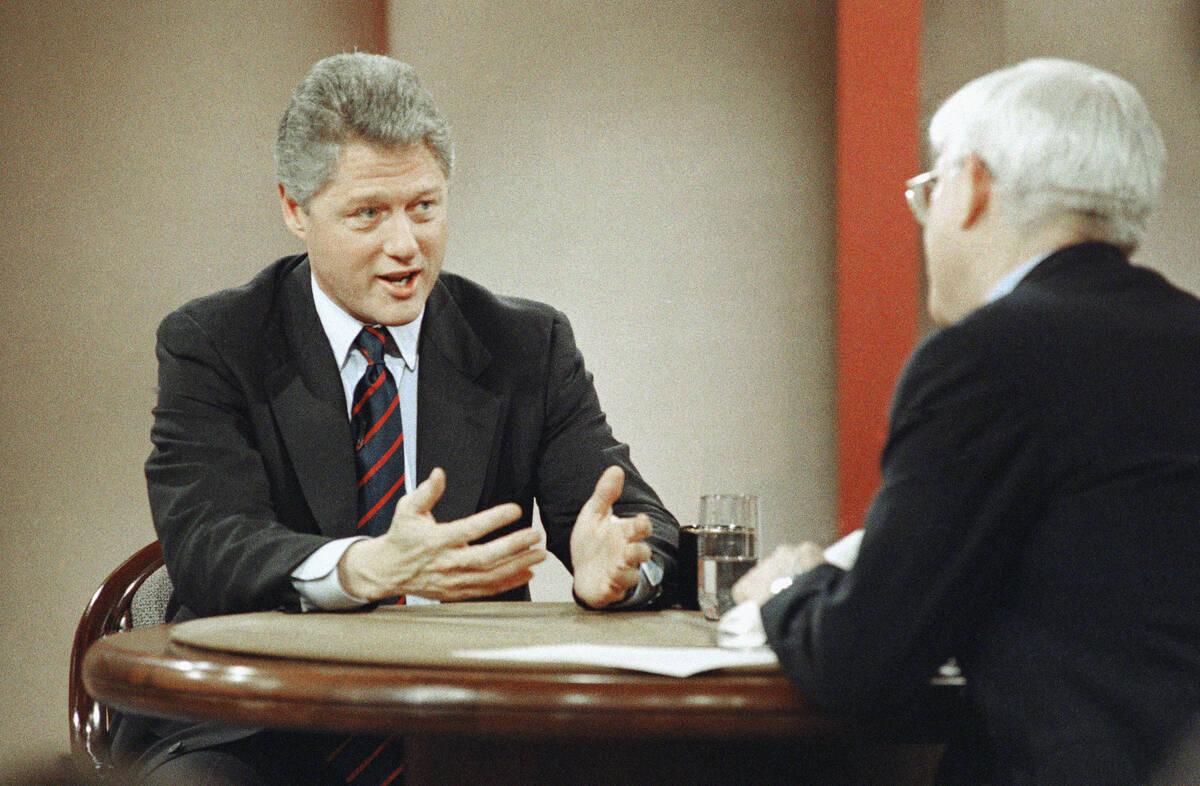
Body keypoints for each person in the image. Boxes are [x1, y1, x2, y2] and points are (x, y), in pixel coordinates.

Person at [114, 52, 680, 784]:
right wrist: (365, 567)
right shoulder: (216, 343)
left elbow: (635, 520)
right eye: (368, 214)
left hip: (470, 729)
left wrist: (624, 567)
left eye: (425, 207)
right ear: (295, 209)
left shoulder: (524, 347)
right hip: (254, 734)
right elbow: (208, 545)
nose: (405, 245)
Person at [734, 58, 1200, 784]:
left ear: (973, 185)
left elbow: (859, 664)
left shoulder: (986, 358)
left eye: (930, 190)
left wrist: (786, 591)